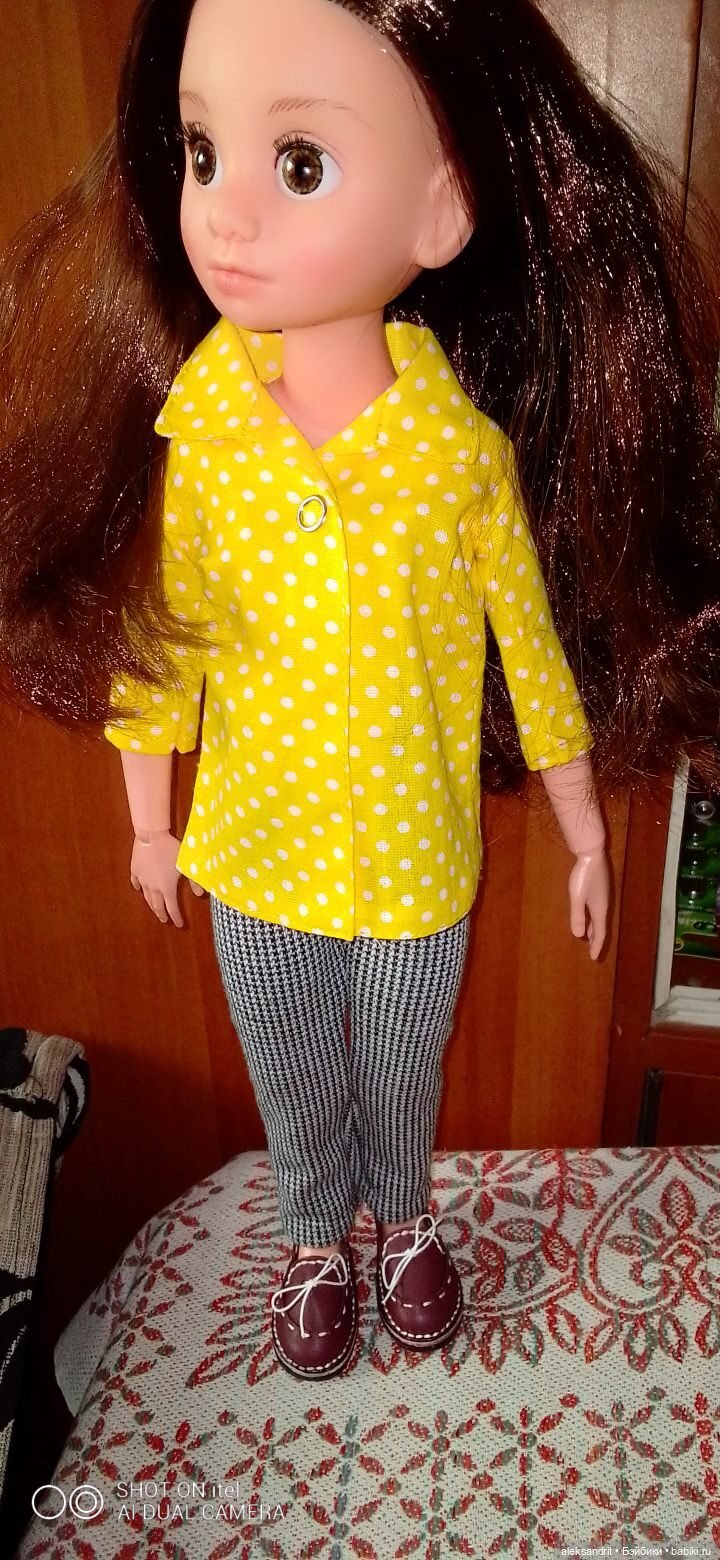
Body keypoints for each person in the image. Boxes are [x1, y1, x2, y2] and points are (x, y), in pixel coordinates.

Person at [0, 0, 717, 1380]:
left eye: (300, 163)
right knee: (293, 1067)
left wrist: (583, 829)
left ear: (441, 208)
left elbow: (529, 649)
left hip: (411, 855)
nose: (227, 214)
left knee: (399, 1065)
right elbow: (171, 642)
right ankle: (313, 1237)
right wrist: (149, 819)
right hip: (256, 851)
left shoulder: (460, 459)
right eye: (203, 152)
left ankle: (401, 1219)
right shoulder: (208, 437)